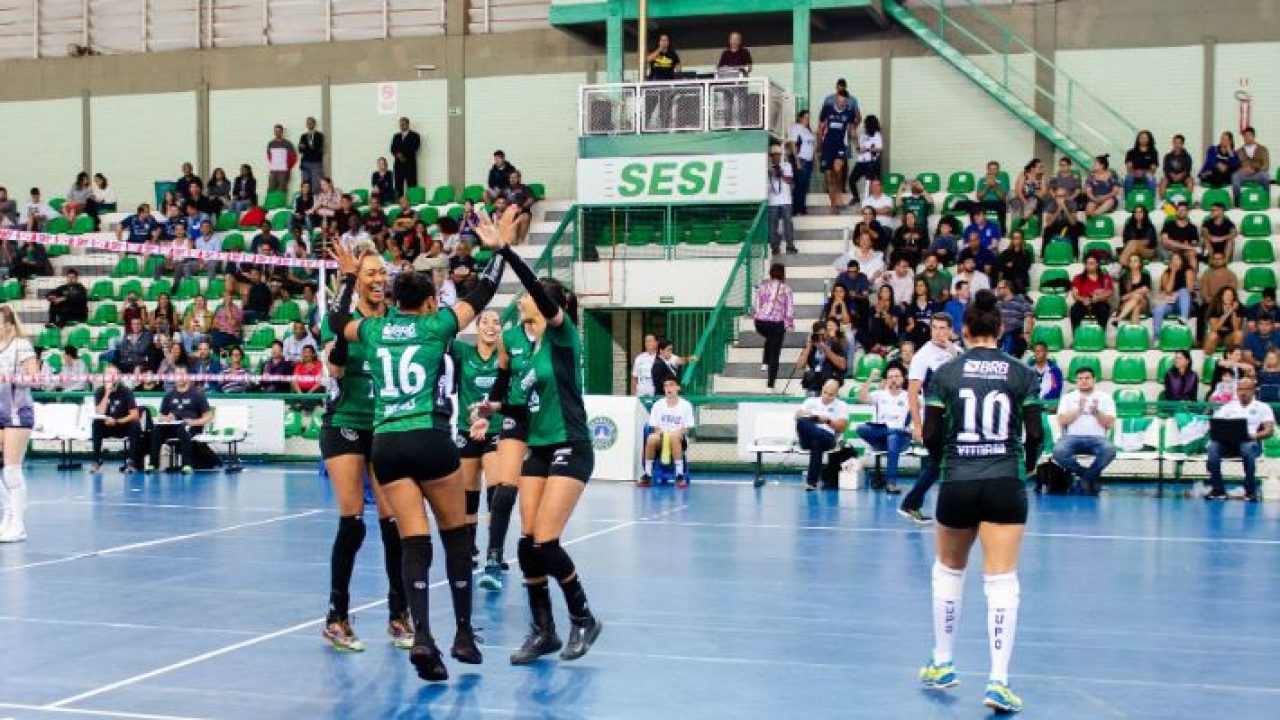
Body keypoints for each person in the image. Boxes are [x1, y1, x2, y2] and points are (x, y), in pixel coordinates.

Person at [327, 208, 508, 681]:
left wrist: (347, 280)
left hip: (386, 443)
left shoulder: (375, 329)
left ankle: (422, 635)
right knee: (455, 534)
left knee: (412, 540)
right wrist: (500, 250)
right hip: (428, 436)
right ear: (429, 303)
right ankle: (463, 634)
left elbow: (336, 321)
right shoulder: (436, 327)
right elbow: (482, 292)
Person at [474, 228, 605, 666]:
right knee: (528, 545)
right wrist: (494, 406)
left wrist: (506, 251)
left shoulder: (563, 337)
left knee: (547, 542)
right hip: (541, 446)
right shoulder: (527, 350)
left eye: (530, 298)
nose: (523, 301)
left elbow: (534, 289)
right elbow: (521, 398)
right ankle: (543, 631)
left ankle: (583, 617)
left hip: (572, 445)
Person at [918, 289, 1044, 715]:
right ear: (1002, 330)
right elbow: (1037, 435)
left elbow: (932, 435)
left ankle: (942, 661)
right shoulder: (1022, 374)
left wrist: (946, 464)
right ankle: (999, 681)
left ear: (965, 331)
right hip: (1004, 482)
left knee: (948, 572)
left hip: (957, 481)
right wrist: (1021, 468)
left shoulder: (946, 373)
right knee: (1002, 581)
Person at [316, 247, 410, 652]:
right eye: (370, 273)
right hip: (346, 426)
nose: (378, 279)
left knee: (394, 525)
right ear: (357, 279)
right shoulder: (341, 322)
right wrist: (346, 281)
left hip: (385, 426)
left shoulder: (394, 321)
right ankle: (336, 618)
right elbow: (334, 368)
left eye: (381, 273)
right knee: (352, 521)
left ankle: (398, 615)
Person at [452, 310, 506, 590]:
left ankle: (494, 551)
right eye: (485, 321)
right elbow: (444, 333)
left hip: (495, 431)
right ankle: (469, 548)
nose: (491, 326)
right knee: (468, 492)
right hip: (466, 429)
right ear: (476, 327)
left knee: (496, 489)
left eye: (496, 322)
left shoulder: (505, 357)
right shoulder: (464, 353)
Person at [901, 313, 961, 525]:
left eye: (943, 328)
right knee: (941, 462)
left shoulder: (957, 352)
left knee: (940, 463)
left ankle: (912, 503)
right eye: (935, 327)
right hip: (935, 418)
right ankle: (913, 503)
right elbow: (913, 392)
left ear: (950, 330)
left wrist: (954, 353)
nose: (938, 332)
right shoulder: (923, 356)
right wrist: (918, 423)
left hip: (956, 418)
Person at [0, 305, 38, 542]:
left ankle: (19, 525)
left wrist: (11, 378)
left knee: (12, 470)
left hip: (17, 411)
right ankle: (7, 515)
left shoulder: (21, 345)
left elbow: (35, 378)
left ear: (8, 324)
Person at [1206, 377, 1273, 502]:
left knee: (1247, 447)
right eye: (1240, 389)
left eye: (1247, 389)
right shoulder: (1227, 407)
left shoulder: (1262, 407)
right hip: (1227, 444)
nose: (1243, 392)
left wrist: (1254, 436)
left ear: (1254, 391)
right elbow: (1216, 424)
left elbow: (1269, 430)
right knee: (1212, 447)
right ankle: (1218, 490)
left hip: (1249, 442)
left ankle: (1250, 491)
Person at [1052, 367, 1116, 495]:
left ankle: (1084, 480)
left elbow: (1110, 424)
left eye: (1087, 378)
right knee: (1058, 452)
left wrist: (1097, 412)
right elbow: (1061, 421)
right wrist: (1078, 410)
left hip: (1098, 438)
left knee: (1110, 450)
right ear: (1076, 381)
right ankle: (1088, 476)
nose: (1084, 381)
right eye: (1080, 379)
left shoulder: (1105, 398)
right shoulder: (1068, 398)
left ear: (1094, 380)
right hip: (1072, 437)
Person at [147, 364, 214, 474]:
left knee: (183, 429)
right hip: (173, 426)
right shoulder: (169, 395)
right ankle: (153, 464)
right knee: (156, 431)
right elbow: (161, 415)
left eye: (183, 375)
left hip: (191, 427)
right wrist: (166, 418)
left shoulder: (197, 394)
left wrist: (193, 422)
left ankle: (187, 465)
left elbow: (209, 416)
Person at [855, 366, 911, 494]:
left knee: (894, 436)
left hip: (901, 439)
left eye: (896, 377)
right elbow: (861, 398)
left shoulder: (909, 396)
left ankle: (891, 483)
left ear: (902, 379)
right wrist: (871, 378)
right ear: (886, 380)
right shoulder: (880, 394)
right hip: (881, 437)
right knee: (861, 428)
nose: (893, 380)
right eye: (890, 377)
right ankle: (892, 431)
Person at [794, 379, 848, 491]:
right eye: (825, 392)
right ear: (822, 389)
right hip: (806, 438)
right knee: (801, 422)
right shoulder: (811, 401)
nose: (827, 396)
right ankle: (811, 482)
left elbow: (842, 427)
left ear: (837, 393)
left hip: (828, 438)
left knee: (817, 442)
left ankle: (811, 482)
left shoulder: (841, 405)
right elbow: (797, 415)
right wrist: (815, 417)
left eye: (831, 395)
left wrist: (827, 421)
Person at [641, 377, 695, 488]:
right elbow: (655, 426)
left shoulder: (686, 405)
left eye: (671, 385)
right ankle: (648, 474)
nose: (668, 388)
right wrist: (663, 434)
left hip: (679, 437)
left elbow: (687, 428)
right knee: (651, 438)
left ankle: (679, 475)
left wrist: (673, 434)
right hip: (662, 436)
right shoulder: (658, 405)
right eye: (666, 386)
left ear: (677, 388)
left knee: (674, 437)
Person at [88, 365, 141, 473]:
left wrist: (116, 421)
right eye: (108, 374)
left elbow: (135, 414)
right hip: (106, 425)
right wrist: (107, 393)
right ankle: (97, 460)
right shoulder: (100, 391)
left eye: (114, 374)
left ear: (118, 377)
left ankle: (131, 461)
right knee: (96, 423)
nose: (111, 377)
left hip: (122, 425)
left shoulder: (126, 391)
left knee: (135, 424)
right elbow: (100, 412)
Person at [753, 264, 794, 391]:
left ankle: (765, 362)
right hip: (776, 323)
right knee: (775, 353)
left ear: (770, 273)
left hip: (760, 322)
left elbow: (757, 304)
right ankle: (770, 385)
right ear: (783, 274)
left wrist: (757, 316)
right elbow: (789, 309)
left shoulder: (763, 287)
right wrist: (789, 324)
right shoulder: (786, 289)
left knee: (770, 338)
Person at [817, 91, 856, 213]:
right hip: (828, 145)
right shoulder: (827, 109)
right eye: (839, 101)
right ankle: (833, 204)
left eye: (843, 102)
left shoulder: (849, 111)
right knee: (828, 176)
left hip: (840, 145)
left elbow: (851, 129)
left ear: (846, 101)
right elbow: (821, 127)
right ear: (835, 100)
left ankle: (838, 193)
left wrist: (857, 142)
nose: (841, 104)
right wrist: (818, 145)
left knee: (838, 170)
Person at [796, 319, 849, 395]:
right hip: (813, 384)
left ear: (827, 333)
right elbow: (800, 366)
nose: (820, 337)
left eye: (822, 334)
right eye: (817, 335)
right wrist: (808, 347)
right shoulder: (811, 347)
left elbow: (843, 365)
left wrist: (825, 348)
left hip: (830, 385)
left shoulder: (835, 345)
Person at [1151, 251, 1195, 336]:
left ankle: (1184, 318)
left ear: (1182, 261)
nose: (1175, 262)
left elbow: (1189, 289)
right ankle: (1157, 337)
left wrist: (1176, 294)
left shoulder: (1188, 271)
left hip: (1184, 304)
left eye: (1177, 259)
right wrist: (1173, 272)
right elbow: (1168, 290)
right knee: (1158, 310)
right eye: (1173, 259)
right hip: (1169, 303)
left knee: (1183, 291)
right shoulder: (1166, 273)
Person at [716, 31, 753, 125]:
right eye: (732, 39)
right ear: (729, 40)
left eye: (737, 39)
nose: (734, 41)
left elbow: (749, 67)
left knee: (742, 104)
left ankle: (743, 124)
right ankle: (727, 125)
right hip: (728, 83)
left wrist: (740, 69)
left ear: (740, 41)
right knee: (727, 104)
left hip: (741, 83)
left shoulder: (745, 52)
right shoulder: (725, 53)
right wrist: (727, 69)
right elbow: (719, 68)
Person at [1068, 255, 1113, 329]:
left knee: (1103, 310)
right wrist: (1083, 299)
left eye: (1091, 263)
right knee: (1074, 310)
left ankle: (1100, 335)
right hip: (1083, 301)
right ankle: (1076, 336)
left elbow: (1109, 292)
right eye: (1087, 263)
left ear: (1097, 264)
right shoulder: (1078, 278)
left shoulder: (1105, 278)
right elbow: (1075, 294)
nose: (1089, 265)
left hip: (1100, 302)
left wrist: (1098, 298)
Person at [767, 145, 797, 254]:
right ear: (770, 156)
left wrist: (780, 174)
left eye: (777, 154)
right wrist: (770, 173)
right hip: (772, 200)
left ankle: (790, 245)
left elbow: (789, 180)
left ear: (781, 155)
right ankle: (775, 247)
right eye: (773, 155)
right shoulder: (766, 167)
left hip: (786, 200)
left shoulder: (786, 165)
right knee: (772, 225)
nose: (775, 157)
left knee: (788, 223)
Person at [849, 115, 883, 205]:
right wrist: (854, 139)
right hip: (861, 161)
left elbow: (879, 148)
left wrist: (868, 149)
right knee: (852, 179)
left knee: (868, 182)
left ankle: (867, 201)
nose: (864, 125)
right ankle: (856, 197)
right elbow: (859, 149)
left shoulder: (877, 135)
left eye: (865, 123)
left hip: (871, 162)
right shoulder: (863, 135)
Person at [1232, 126, 1270, 203]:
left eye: (1249, 135)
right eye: (1245, 136)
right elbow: (1235, 165)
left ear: (1253, 136)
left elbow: (1266, 165)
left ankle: (1266, 199)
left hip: (1258, 173)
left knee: (1266, 176)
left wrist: (1255, 169)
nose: (1246, 138)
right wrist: (1241, 169)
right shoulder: (1239, 151)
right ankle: (1238, 202)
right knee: (1235, 177)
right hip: (1244, 173)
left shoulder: (1262, 149)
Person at [995, 280, 1033, 357]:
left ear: (1007, 289)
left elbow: (1029, 317)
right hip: (999, 335)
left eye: (999, 288)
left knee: (1009, 337)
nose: (997, 290)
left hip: (1015, 334)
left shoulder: (1020, 300)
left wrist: (1026, 333)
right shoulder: (997, 303)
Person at [1203, 286, 1244, 355]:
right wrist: (1227, 314)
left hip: (1229, 337)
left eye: (1231, 295)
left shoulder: (1238, 307)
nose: (1229, 297)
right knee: (1212, 335)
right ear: (1221, 296)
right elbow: (1215, 329)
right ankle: (1207, 359)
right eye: (1226, 295)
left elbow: (1236, 328)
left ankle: (1235, 357)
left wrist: (1233, 311)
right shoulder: (1215, 307)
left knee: (1239, 334)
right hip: (1217, 336)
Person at [1114, 253, 1151, 327]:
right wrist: (1138, 291)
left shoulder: (1145, 276)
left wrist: (1132, 294)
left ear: (1140, 263)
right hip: (1125, 304)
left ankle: (1119, 318)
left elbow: (1145, 290)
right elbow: (1123, 298)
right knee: (1136, 306)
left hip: (1143, 303)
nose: (1133, 263)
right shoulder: (1123, 277)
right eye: (1131, 261)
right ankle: (1135, 333)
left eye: (1135, 261)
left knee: (1137, 297)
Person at [789, 111, 815, 214]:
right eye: (805, 117)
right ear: (800, 118)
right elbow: (793, 144)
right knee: (799, 184)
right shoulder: (796, 128)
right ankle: (796, 208)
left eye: (808, 118)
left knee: (804, 185)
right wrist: (797, 160)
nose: (807, 120)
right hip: (801, 159)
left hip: (808, 160)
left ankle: (801, 206)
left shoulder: (807, 130)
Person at [390, 117, 422, 194]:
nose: (401, 126)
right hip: (398, 165)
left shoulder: (415, 135)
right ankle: (399, 202)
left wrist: (403, 156)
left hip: (409, 164)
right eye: (400, 124)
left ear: (408, 124)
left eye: (403, 124)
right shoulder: (396, 136)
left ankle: (412, 201)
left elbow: (415, 147)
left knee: (411, 184)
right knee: (398, 185)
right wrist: (397, 155)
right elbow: (392, 148)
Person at [1160, 133, 1195, 200]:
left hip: (1183, 177)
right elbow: (1166, 169)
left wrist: (1181, 175)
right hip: (1170, 177)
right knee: (1162, 181)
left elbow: (1188, 169)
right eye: (1175, 143)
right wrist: (1172, 175)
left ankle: (1188, 200)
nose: (1177, 145)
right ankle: (1163, 202)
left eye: (1179, 143)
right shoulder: (1168, 156)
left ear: (1182, 144)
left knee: (1191, 181)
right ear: (1173, 143)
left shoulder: (1187, 156)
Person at [1123, 130, 1159, 195]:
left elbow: (1153, 170)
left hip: (1147, 174)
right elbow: (1129, 168)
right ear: (1138, 139)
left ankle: (1150, 200)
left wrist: (1143, 172)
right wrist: (1135, 172)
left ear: (1149, 139)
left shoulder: (1153, 152)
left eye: (1145, 138)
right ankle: (1128, 200)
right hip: (1133, 174)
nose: (1143, 140)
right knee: (1128, 178)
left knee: (1151, 178)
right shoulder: (1131, 152)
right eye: (1141, 138)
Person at [266, 124, 297, 193]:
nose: (277, 133)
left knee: (282, 189)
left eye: (279, 131)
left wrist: (288, 166)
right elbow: (269, 156)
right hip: (273, 170)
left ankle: (281, 204)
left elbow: (293, 157)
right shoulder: (271, 143)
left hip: (284, 171)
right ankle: (271, 203)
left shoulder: (288, 143)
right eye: (276, 131)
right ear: (274, 132)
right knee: (270, 188)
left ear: (282, 132)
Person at [298, 117, 325, 190]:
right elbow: (300, 150)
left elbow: (318, 149)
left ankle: (315, 201)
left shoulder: (319, 136)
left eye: (310, 123)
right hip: (305, 163)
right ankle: (307, 200)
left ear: (314, 124)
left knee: (316, 185)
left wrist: (306, 147)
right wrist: (308, 148)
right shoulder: (303, 136)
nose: (309, 125)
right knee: (305, 184)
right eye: (307, 123)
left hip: (315, 163)